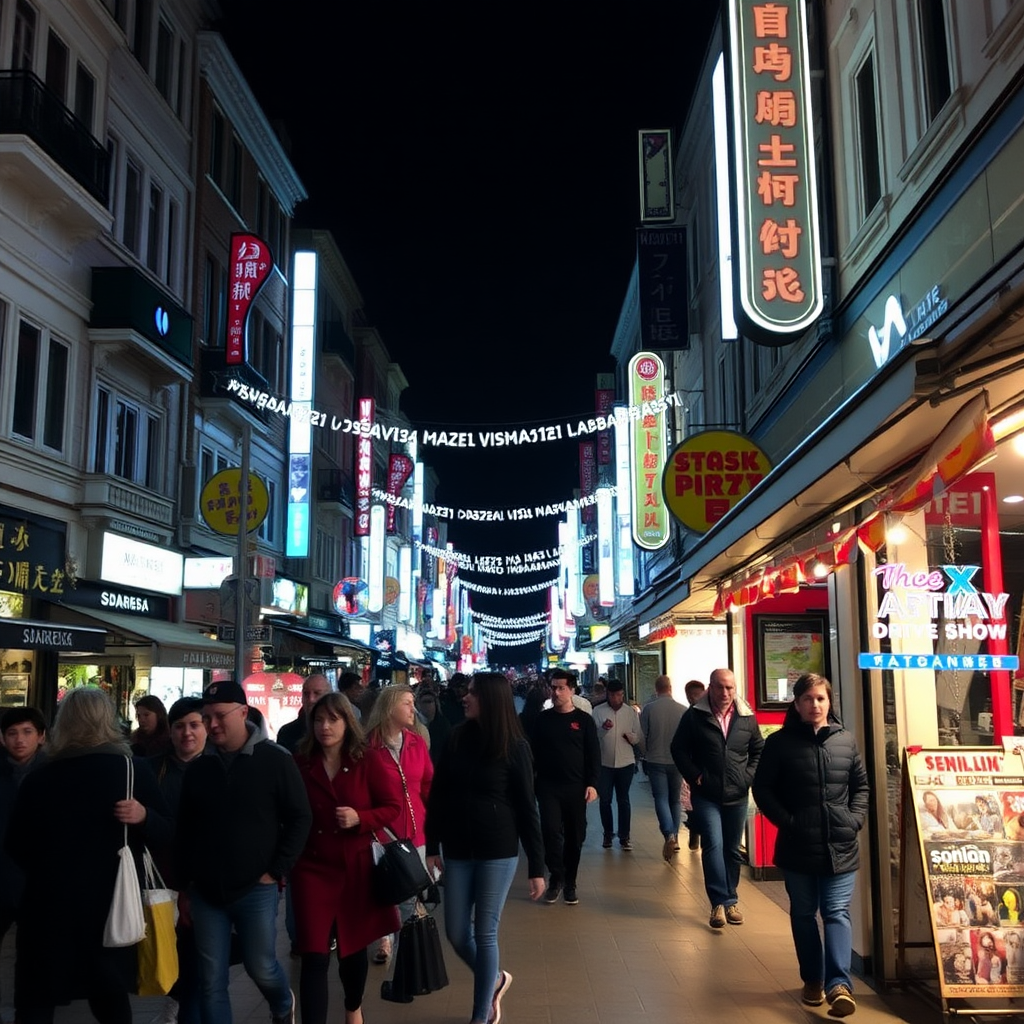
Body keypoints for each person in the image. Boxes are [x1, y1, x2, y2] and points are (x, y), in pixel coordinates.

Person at [7, 688, 171, 1024]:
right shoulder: (131, 771)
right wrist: (144, 818)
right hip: (109, 906)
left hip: (46, 909)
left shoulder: (39, 778)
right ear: (107, 720)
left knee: (36, 999)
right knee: (109, 997)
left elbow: (16, 845)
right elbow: (167, 833)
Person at [175, 679, 312, 1024]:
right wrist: (186, 885)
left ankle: (282, 1003)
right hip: (206, 892)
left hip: (257, 888)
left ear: (243, 713)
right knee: (212, 981)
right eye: (206, 718)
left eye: (219, 716)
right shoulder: (199, 769)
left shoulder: (275, 761)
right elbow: (186, 829)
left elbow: (300, 817)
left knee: (261, 966)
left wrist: (276, 870)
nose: (212, 725)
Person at [426, 673, 545, 1024]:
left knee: (484, 930)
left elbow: (527, 808)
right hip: (458, 848)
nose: (465, 697)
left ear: (491, 699)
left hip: (498, 850)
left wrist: (537, 866)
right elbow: (439, 795)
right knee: (455, 932)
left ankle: (481, 1015)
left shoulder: (515, 746)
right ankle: (494, 979)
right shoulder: (456, 738)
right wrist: (433, 845)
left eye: (473, 693)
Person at [752, 672, 868, 1018]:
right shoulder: (779, 743)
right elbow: (763, 790)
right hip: (797, 846)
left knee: (836, 913)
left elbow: (860, 786)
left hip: (841, 844)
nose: (815, 705)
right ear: (797, 703)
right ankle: (812, 979)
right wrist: (789, 822)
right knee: (803, 914)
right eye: (807, 699)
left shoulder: (845, 740)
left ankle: (839, 985)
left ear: (829, 702)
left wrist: (854, 819)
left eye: (820, 698)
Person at [291, 692, 403, 1024]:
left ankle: (352, 1007)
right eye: (319, 719)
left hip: (356, 868)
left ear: (347, 723)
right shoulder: (300, 763)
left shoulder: (365, 760)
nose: (325, 727)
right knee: (313, 954)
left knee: (352, 951)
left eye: (333, 719)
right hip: (312, 868)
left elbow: (392, 807)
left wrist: (360, 818)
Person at [671, 667, 763, 929]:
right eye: (720, 687)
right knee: (713, 844)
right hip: (706, 794)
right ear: (710, 687)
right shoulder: (694, 716)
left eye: (730, 687)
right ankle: (718, 904)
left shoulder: (746, 717)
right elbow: (678, 749)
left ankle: (730, 899)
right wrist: (694, 775)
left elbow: (758, 749)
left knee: (732, 850)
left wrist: (748, 777)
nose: (725, 692)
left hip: (737, 794)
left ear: (736, 689)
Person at [364, 684, 434, 967]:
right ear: (389, 707)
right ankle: (385, 939)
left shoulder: (417, 743)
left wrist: (436, 820)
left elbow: (429, 783)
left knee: (412, 892)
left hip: (416, 831)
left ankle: (408, 945)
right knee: (387, 890)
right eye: (407, 703)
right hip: (382, 832)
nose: (412, 709)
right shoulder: (368, 746)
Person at [150, 697, 207, 1024]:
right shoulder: (152, 769)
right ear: (169, 731)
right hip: (162, 879)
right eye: (180, 726)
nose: (187, 733)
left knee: (196, 951)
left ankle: (179, 1007)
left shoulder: (219, 766)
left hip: (203, 879)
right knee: (170, 948)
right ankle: (178, 1001)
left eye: (194, 725)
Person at [529, 669, 599, 906]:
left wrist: (592, 784)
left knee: (575, 836)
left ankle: (571, 881)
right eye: (553, 687)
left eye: (561, 688)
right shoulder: (542, 720)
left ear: (571, 690)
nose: (556, 692)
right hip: (548, 787)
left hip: (576, 788)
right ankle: (556, 877)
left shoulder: (584, 721)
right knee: (549, 832)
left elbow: (593, 755)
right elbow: (532, 754)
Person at [0, 706, 47, 1020]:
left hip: (38, 881)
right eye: (13, 733)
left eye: (27, 732)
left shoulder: (52, 774)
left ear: (41, 736)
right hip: (2, 877)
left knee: (34, 959)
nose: (20, 739)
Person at [592, 678, 642, 850]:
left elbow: (638, 736)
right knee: (605, 800)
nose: (615, 699)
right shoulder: (598, 711)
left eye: (619, 695)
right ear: (607, 694)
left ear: (622, 695)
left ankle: (624, 836)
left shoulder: (630, 713)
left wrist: (631, 737)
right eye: (612, 695)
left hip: (625, 762)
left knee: (623, 800)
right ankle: (607, 834)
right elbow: (593, 738)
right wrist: (604, 729)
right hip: (604, 763)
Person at [640, 675, 687, 860]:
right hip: (676, 761)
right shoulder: (682, 710)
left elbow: (642, 736)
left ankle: (668, 833)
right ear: (670, 687)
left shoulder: (649, 709)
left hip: (655, 760)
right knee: (675, 800)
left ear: (656, 688)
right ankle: (675, 836)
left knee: (660, 798)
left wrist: (645, 753)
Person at [277, 674, 334, 753]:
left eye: (317, 693)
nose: (311, 699)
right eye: (306, 694)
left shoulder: (340, 729)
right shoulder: (287, 733)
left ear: (329, 696)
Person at [416, 687, 451, 763]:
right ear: (418, 704)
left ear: (435, 704)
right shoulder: (413, 724)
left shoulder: (444, 724)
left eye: (430, 702)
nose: (428, 705)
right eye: (425, 702)